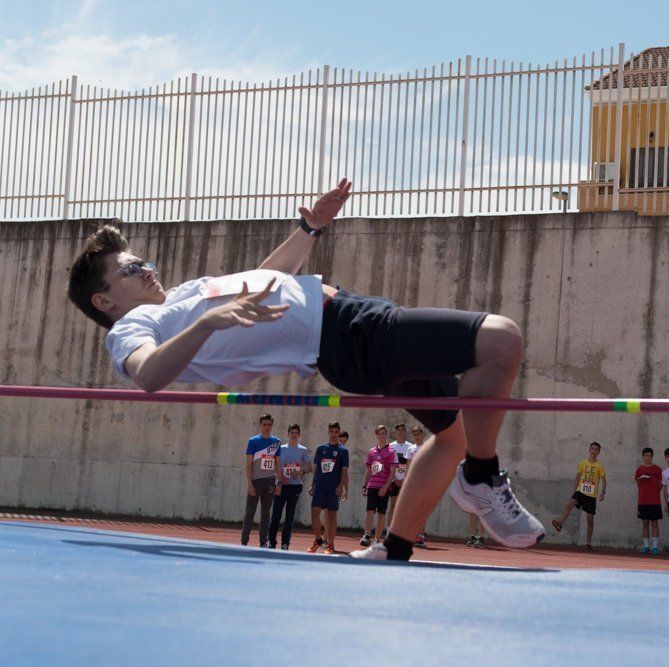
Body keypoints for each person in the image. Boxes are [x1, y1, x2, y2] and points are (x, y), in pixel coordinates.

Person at [67, 179, 545, 563]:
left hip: (348, 322)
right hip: (346, 335)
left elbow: (267, 278)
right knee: (501, 340)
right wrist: (210, 321)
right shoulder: (132, 326)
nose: (146, 270)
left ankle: (393, 547)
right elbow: (148, 374)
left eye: (142, 261)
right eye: (129, 270)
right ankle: (482, 476)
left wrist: (309, 228)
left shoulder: (180, 295)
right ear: (104, 300)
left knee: (455, 435)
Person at [551, 442, 607, 551]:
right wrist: (574, 491)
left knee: (590, 520)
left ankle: (588, 543)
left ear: (598, 452)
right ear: (589, 450)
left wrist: (603, 492)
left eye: (596, 449)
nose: (594, 451)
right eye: (592, 448)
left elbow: (604, 481)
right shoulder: (582, 463)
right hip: (580, 491)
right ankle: (560, 523)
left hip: (591, 495)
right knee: (569, 504)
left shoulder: (600, 466)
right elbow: (577, 478)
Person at [307, 422, 349, 554]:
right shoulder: (321, 449)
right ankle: (318, 540)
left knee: (331, 517)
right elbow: (316, 468)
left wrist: (341, 487)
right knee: (314, 514)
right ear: (328, 432)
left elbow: (344, 471)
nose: (334, 434)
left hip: (333, 488)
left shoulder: (343, 451)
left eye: (336, 431)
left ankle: (330, 544)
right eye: (331, 431)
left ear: (339, 432)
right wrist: (311, 484)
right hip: (320, 486)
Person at [268, 423, 312, 550]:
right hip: (281, 485)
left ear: (299, 435)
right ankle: (272, 541)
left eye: (296, 433)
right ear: (288, 434)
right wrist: (279, 481)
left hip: (295, 486)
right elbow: (276, 467)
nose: (293, 435)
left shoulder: (303, 450)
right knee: (276, 515)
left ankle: (285, 543)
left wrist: (301, 472)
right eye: (291, 433)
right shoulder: (281, 448)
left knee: (289, 516)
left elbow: (309, 467)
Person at [241, 413, 281, 547]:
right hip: (256, 481)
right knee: (250, 513)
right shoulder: (253, 441)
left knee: (265, 514)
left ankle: (263, 542)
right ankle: (244, 541)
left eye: (269, 425)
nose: (267, 427)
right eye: (264, 424)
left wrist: (278, 483)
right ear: (260, 425)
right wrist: (250, 484)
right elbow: (248, 465)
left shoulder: (276, 442)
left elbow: (278, 465)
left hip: (269, 482)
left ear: (272, 425)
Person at [360, 425, 396, 547]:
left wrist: (385, 487)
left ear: (386, 435)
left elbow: (392, 472)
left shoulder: (391, 451)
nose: (381, 436)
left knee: (381, 513)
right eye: (379, 433)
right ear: (376, 435)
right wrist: (365, 486)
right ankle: (367, 535)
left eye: (383, 433)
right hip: (372, 486)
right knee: (369, 511)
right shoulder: (372, 451)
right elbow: (368, 471)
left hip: (383, 487)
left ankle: (376, 539)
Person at [386, 423, 418, 535]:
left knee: (405, 507)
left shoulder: (410, 447)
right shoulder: (390, 446)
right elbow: (388, 465)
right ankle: (389, 531)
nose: (400, 432)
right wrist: (395, 479)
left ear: (405, 432)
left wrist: (405, 480)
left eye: (402, 430)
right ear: (395, 432)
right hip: (394, 481)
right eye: (398, 429)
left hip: (406, 482)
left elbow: (412, 465)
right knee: (393, 505)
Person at [635, 447, 663, 555]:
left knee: (654, 523)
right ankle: (646, 546)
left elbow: (660, 485)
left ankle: (655, 547)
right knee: (645, 523)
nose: (648, 458)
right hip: (643, 501)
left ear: (652, 456)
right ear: (643, 457)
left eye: (650, 456)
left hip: (655, 501)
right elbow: (639, 485)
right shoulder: (639, 470)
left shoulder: (657, 469)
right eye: (646, 456)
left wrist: (654, 492)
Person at [411, 426, 428, 547]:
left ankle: (421, 535)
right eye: (414, 434)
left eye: (418, 433)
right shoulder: (411, 449)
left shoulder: (427, 448)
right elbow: (408, 466)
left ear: (422, 434)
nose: (416, 436)